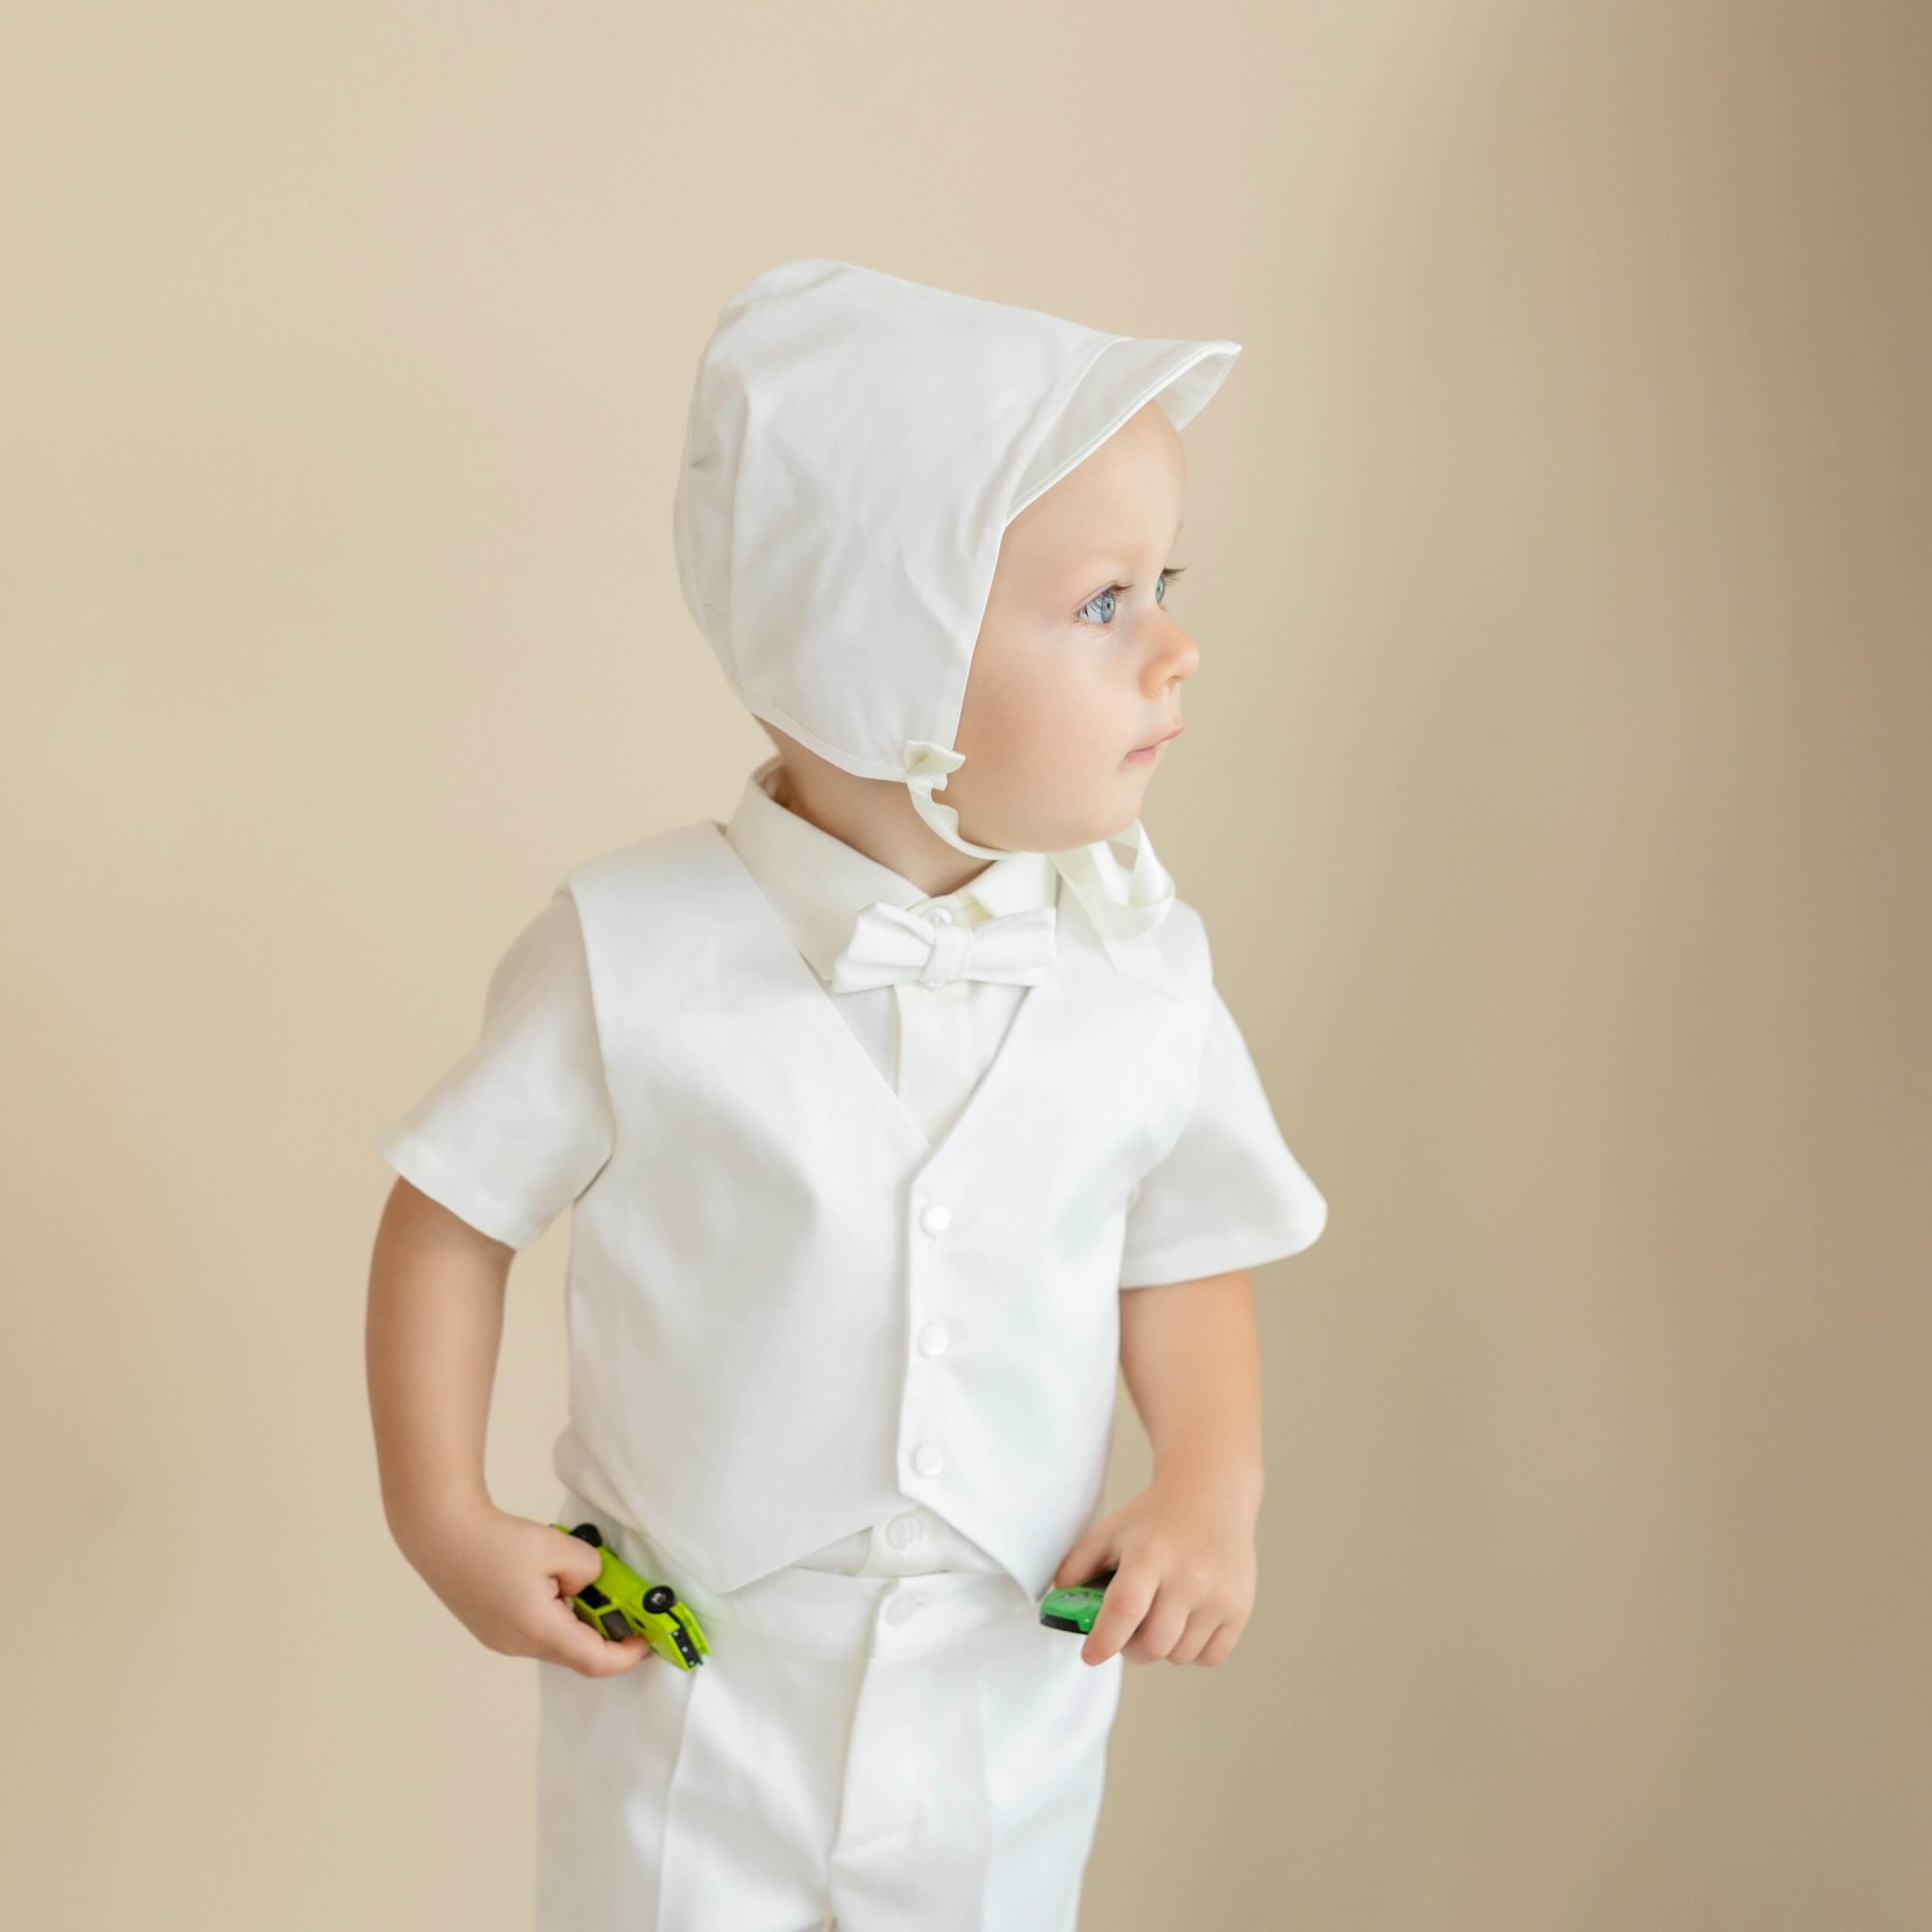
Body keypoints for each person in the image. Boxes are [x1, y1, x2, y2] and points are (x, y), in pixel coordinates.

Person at [365, 257, 1329, 1932]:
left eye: (1160, 582)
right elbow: (450, 1214)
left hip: (996, 1701)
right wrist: (442, 1510)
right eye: (1102, 602)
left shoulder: (1141, 969)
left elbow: (1180, 1250)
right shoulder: (631, 947)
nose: (1174, 647)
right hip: (691, 1691)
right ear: (881, 656)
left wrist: (1206, 1485)